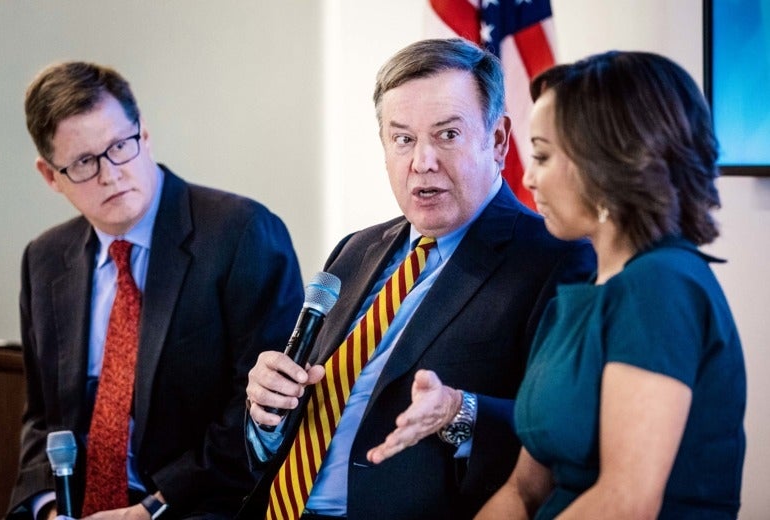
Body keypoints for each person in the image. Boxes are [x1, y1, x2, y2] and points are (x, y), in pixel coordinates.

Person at [240, 38, 595, 520]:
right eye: (403, 138)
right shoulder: (355, 249)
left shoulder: (556, 257)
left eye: (447, 135)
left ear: (497, 140)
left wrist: (458, 411)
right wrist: (267, 413)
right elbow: (289, 433)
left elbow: (565, 433)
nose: (421, 161)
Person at [7, 61, 305, 519]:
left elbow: (262, 413)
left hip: (196, 505)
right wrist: (48, 509)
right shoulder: (45, 260)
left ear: (144, 135)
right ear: (51, 176)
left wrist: (150, 509)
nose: (110, 175)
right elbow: (42, 420)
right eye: (84, 163)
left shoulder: (241, 233)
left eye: (119, 147)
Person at [476, 51, 746, 519]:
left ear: (605, 163)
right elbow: (523, 491)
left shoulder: (660, 286)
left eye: (541, 155)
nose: (527, 176)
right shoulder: (575, 300)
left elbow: (626, 502)